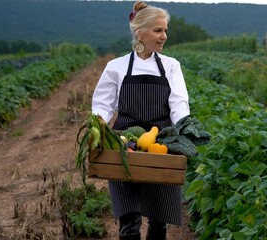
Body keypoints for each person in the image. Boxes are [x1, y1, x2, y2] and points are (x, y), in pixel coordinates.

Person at [91, 1, 190, 239]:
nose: (164, 36)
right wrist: (98, 125)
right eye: (158, 30)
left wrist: (185, 126)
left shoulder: (170, 66)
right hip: (125, 145)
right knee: (129, 220)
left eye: (165, 30)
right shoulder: (117, 67)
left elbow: (178, 103)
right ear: (140, 32)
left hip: (162, 144)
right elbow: (103, 104)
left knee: (159, 219)